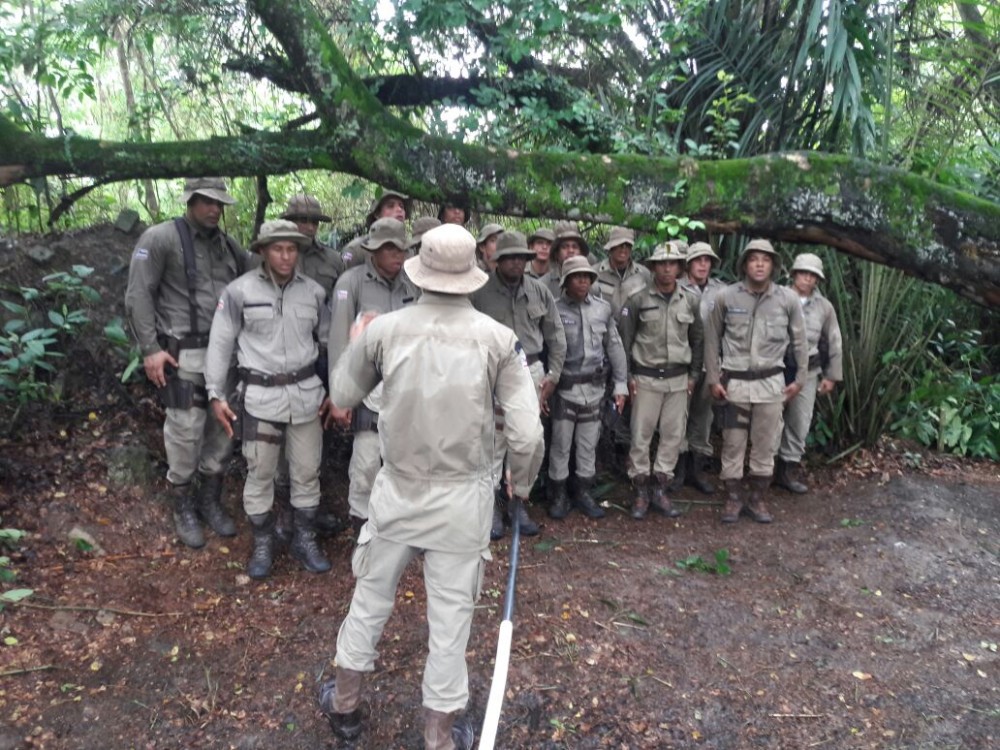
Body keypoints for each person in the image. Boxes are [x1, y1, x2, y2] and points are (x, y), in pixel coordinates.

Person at [318, 224, 544, 750]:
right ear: (470, 277)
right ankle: (439, 737)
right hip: (463, 503)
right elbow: (527, 432)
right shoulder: (497, 339)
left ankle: (345, 705)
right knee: (450, 625)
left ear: (420, 269)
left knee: (370, 599)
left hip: (397, 493)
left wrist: (356, 343)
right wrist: (522, 482)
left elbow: (343, 392)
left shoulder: (385, 330)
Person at [125, 176, 248, 549]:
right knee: (184, 430)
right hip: (182, 354)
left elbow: (255, 279)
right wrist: (149, 348)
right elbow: (138, 294)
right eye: (207, 202)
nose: (214, 209)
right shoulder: (161, 238)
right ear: (191, 201)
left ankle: (210, 500)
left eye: (219, 204)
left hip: (224, 353)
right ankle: (183, 506)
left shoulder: (228, 247)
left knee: (221, 430)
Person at [204, 220, 331, 579]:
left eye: (292, 248)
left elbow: (328, 344)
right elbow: (220, 343)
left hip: (306, 396)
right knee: (259, 471)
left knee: (307, 471)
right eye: (278, 248)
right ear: (263, 251)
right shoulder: (238, 292)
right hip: (260, 399)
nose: (286, 255)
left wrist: (338, 390)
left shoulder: (314, 293)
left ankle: (304, 538)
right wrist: (215, 393)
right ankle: (262, 541)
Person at [704, 239, 808, 524]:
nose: (760, 264)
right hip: (735, 385)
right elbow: (712, 339)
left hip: (770, 385)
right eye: (754, 259)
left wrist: (799, 379)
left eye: (765, 259)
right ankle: (734, 498)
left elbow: (800, 342)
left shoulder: (787, 299)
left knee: (766, 444)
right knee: (733, 444)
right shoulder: (727, 297)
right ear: (745, 264)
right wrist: (713, 377)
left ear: (773, 265)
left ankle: (757, 498)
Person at [471, 230, 566, 538]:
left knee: (527, 442)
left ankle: (518, 504)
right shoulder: (480, 291)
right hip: (491, 372)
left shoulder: (539, 292)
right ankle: (492, 508)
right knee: (492, 443)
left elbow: (556, 336)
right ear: (497, 260)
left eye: (520, 258)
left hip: (532, 370)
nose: (515, 263)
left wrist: (553, 375)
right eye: (508, 257)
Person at [327, 218, 420, 530]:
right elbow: (338, 339)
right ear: (373, 251)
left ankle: (400, 523)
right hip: (368, 385)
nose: (397, 255)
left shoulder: (412, 284)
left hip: (405, 387)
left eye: (401, 249)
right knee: (366, 462)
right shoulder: (351, 283)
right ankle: (361, 525)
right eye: (389, 249)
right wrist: (340, 396)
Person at [619, 242, 703, 519]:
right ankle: (641, 491)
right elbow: (625, 340)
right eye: (662, 264)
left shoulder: (690, 299)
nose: (667, 269)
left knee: (672, 436)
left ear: (680, 268)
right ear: (653, 267)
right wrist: (628, 377)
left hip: (678, 380)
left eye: (673, 264)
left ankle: (660, 488)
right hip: (646, 379)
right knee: (640, 436)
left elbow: (698, 340)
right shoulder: (638, 299)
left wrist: (693, 376)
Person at [547, 256, 628, 519]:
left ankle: (583, 492)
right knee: (560, 444)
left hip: (593, 390)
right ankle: (558, 494)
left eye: (587, 276)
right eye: (576, 276)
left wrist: (621, 385)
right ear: (566, 281)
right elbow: (548, 349)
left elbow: (614, 347)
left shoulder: (602, 309)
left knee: (587, 444)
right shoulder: (555, 309)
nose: (582, 281)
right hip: (564, 390)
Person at [775, 253, 843, 494]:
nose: (808, 279)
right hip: (777, 367)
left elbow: (833, 340)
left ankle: (786, 471)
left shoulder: (824, 307)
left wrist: (831, 376)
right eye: (804, 273)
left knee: (799, 421)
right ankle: (762, 470)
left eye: (813, 275)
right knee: (770, 418)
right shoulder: (776, 296)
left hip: (809, 370)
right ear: (794, 274)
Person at [674, 241, 728, 494]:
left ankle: (697, 470)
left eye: (707, 260)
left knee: (703, 418)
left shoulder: (722, 292)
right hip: (683, 364)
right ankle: (678, 470)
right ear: (688, 264)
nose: (703, 264)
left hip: (711, 365)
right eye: (698, 260)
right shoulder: (677, 289)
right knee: (678, 417)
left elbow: (729, 330)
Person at [341, 189, 411, 268]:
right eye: (390, 206)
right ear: (377, 214)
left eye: (401, 206)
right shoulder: (357, 249)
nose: (399, 209)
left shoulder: (409, 249)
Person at [593, 226, 651, 320]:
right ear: (611, 247)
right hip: (604, 329)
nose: (624, 248)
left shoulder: (643, 274)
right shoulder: (595, 272)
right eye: (620, 244)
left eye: (627, 245)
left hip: (633, 330)